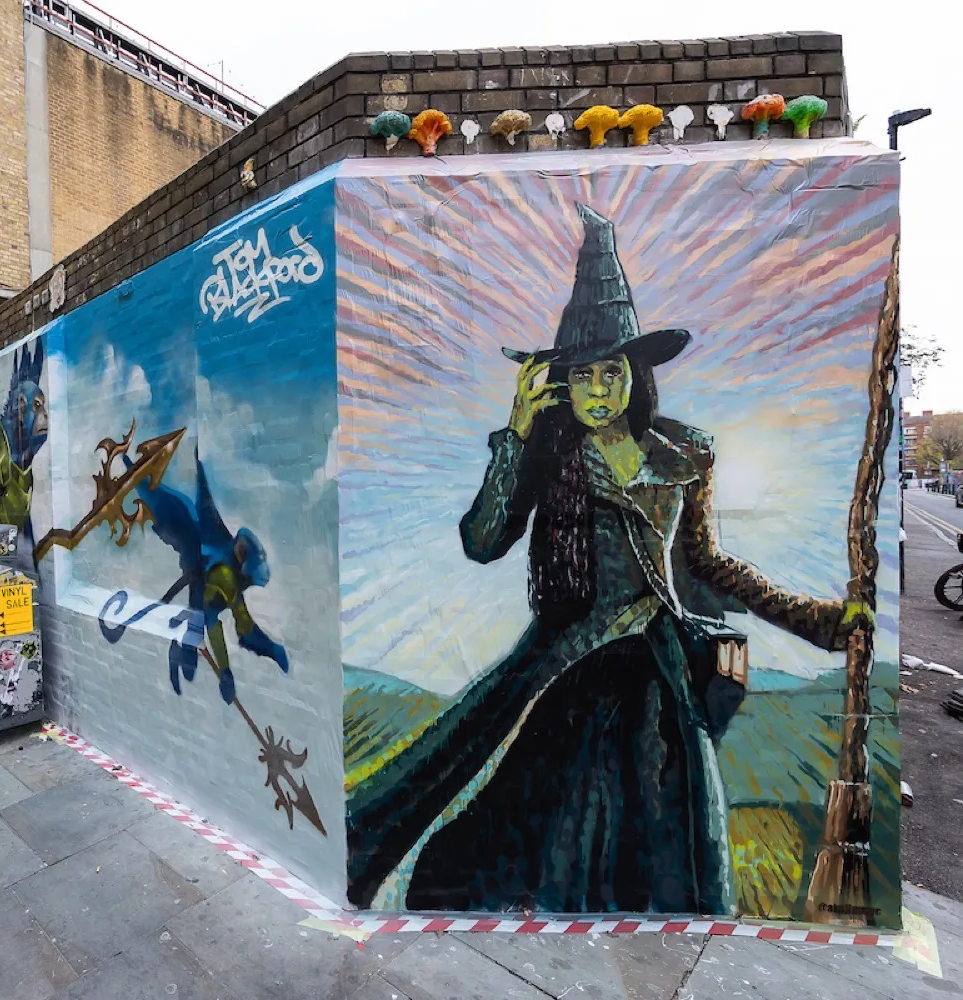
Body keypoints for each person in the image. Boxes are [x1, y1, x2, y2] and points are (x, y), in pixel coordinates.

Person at [346, 205, 872, 917]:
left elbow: (709, 562)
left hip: (655, 678)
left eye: (611, 374)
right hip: (561, 667)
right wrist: (517, 432)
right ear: (561, 382)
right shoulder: (547, 451)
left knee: (663, 830)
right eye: (582, 376)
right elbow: (481, 540)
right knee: (518, 815)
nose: (597, 391)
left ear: (636, 374)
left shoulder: (683, 457)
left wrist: (817, 620)